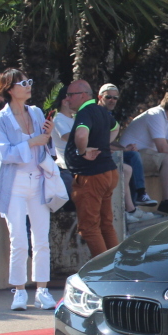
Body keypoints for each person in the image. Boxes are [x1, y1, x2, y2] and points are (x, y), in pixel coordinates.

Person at [0, 69, 55, 311]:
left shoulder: (36, 112)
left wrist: (46, 134)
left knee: (42, 239)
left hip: (37, 181)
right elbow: (3, 153)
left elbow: (46, 146)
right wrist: (32, 141)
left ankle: (43, 290)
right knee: (18, 240)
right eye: (22, 83)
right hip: (14, 184)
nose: (28, 86)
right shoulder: (0, 120)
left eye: (29, 81)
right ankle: (18, 291)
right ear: (9, 89)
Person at [69, 84, 122, 257]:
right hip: (108, 172)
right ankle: (115, 267)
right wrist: (104, 144)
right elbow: (116, 127)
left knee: (89, 228)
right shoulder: (102, 113)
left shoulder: (86, 112)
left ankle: (105, 272)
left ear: (83, 95)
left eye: (71, 94)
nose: (67, 98)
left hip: (91, 175)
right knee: (105, 224)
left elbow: (81, 135)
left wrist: (82, 152)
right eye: (109, 97)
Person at [93, 85, 155, 225]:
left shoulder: (108, 115)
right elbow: (98, 142)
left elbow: (109, 141)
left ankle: (140, 194)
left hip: (108, 153)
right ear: (100, 97)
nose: (112, 100)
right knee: (126, 168)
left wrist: (124, 148)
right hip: (96, 156)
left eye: (115, 98)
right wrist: (122, 150)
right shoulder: (95, 114)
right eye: (108, 97)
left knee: (133, 156)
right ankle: (130, 209)